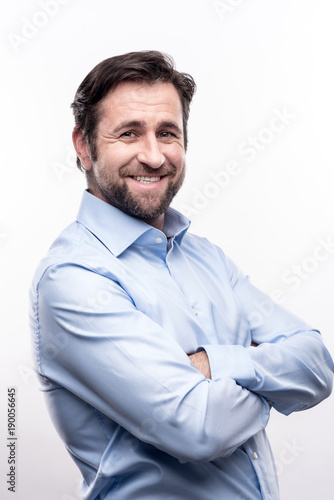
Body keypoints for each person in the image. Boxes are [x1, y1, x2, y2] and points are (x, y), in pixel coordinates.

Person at [29, 50, 334, 500]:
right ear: (83, 145)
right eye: (129, 133)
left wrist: (214, 364)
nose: (153, 156)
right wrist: (271, 382)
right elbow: (199, 428)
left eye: (167, 132)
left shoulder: (206, 257)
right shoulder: (73, 278)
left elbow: (317, 364)